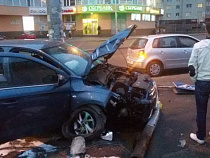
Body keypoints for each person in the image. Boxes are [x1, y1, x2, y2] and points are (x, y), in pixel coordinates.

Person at [188, 22, 210, 144]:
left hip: (202, 82)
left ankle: (200, 137)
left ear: (206, 30)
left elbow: (192, 68)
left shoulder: (198, 46)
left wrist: (195, 79)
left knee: (201, 110)